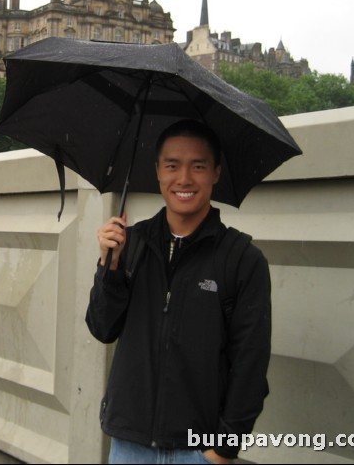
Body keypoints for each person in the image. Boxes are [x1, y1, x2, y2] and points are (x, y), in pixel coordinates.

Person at [86, 119, 271, 464]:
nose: (184, 179)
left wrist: (222, 451)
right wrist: (108, 268)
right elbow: (102, 328)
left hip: (198, 451)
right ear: (157, 171)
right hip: (129, 443)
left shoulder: (242, 259)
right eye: (172, 165)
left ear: (215, 172)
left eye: (198, 166)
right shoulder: (131, 243)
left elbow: (250, 364)